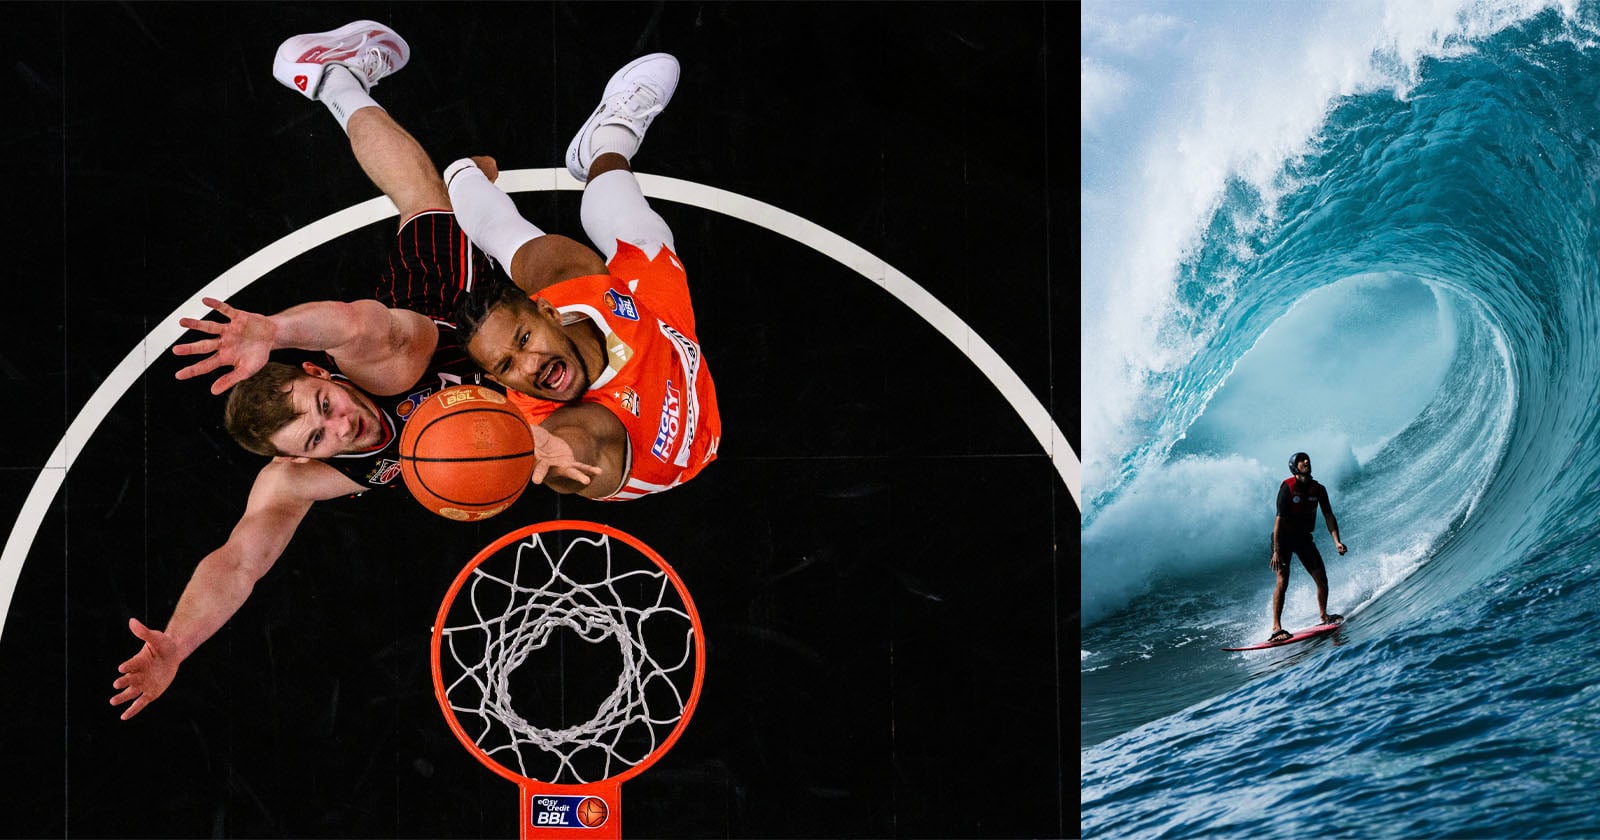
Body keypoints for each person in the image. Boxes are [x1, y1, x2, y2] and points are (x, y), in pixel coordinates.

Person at [109, 20, 599, 721]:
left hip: (441, 323)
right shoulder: (298, 478)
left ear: (322, 372)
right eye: (316, 438)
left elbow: (354, 322)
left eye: (321, 402)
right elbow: (238, 563)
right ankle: (471, 190)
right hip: (485, 403)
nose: (341, 423)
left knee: (428, 199)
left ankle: (333, 78)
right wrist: (178, 643)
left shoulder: (374, 364)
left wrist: (272, 329)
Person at [440, 52, 721, 502]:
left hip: (658, 331)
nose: (529, 365)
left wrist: (462, 177)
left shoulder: (573, 280)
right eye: (507, 366)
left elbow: (501, 233)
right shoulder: (555, 433)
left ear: (549, 310)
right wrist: (555, 458)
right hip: (657, 453)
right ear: (499, 383)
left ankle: (606, 139)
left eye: (525, 339)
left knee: (633, 234)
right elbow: (585, 441)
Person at [1268, 452, 1348, 642]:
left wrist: (1337, 541)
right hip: (1283, 539)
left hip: (1303, 539)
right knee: (1282, 579)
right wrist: (1277, 551)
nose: (1306, 461)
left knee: (1322, 578)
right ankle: (1276, 628)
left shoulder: (1318, 489)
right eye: (1301, 460)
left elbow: (1329, 515)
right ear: (1294, 467)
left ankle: (1323, 616)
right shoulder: (1287, 488)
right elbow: (1278, 521)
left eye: (1307, 459)